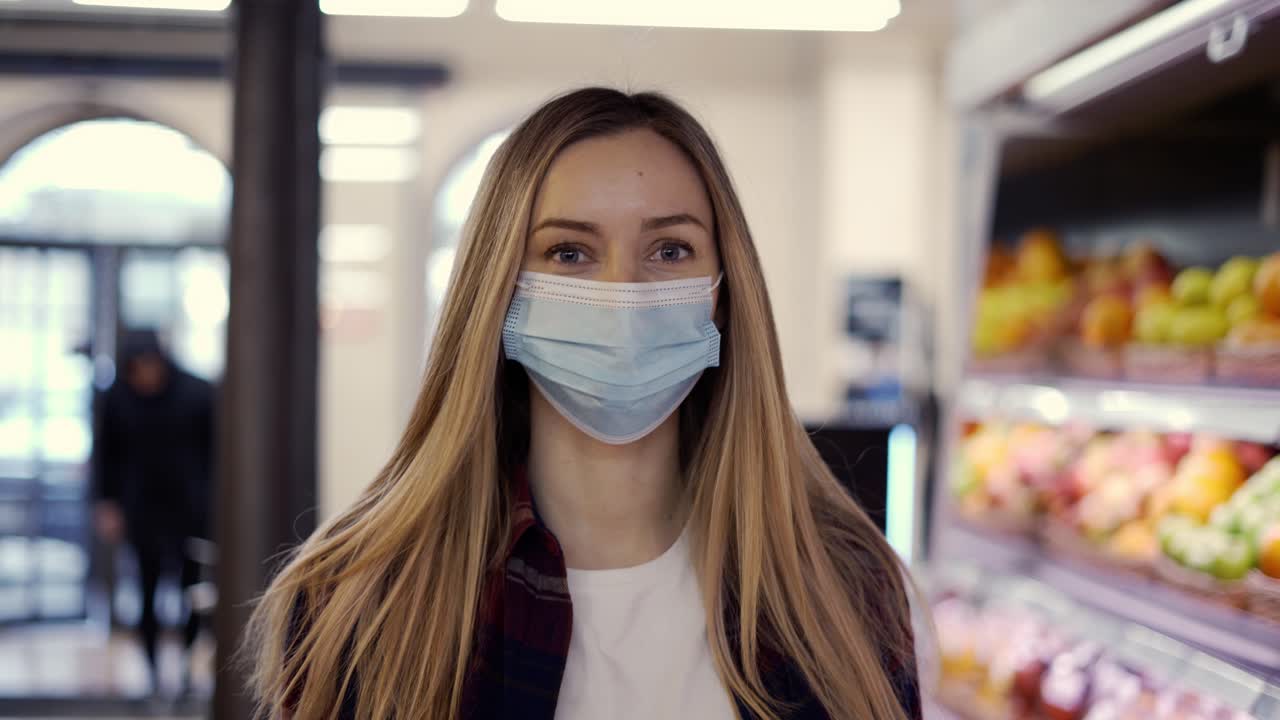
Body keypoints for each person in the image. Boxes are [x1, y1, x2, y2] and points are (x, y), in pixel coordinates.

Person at [249, 88, 921, 719]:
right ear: (500, 290)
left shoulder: (841, 591)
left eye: (670, 249)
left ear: (723, 292)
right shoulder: (364, 600)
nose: (622, 292)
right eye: (569, 252)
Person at [93, 328, 214, 696]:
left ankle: (187, 668)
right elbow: (106, 454)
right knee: (146, 589)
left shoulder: (198, 393)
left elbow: (216, 455)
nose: (146, 374)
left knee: (192, 592)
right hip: (142, 510)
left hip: (191, 510)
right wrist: (107, 503)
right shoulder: (117, 398)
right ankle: (151, 673)